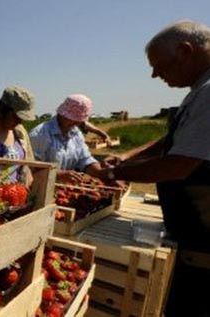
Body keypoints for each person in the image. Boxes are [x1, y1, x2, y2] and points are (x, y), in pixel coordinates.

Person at [97, 20, 210, 316]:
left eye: (159, 65)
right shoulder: (200, 91)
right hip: (194, 237)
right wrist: (127, 158)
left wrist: (112, 173)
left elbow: (179, 164)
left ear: (185, 51)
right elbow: (173, 140)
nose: (155, 74)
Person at [29, 94, 104, 183]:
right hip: (41, 189)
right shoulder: (40, 134)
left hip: (65, 190)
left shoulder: (76, 134)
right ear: (62, 114)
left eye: (79, 120)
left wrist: (101, 172)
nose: (76, 123)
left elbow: (84, 159)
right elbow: (31, 166)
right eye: (73, 119)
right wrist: (59, 174)